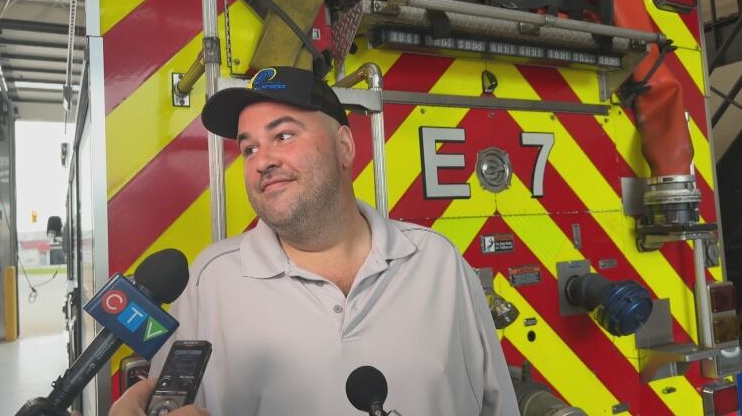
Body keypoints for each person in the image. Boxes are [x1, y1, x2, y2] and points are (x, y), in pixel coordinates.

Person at [132, 66, 518, 415]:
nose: (262, 161)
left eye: (283, 135)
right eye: (249, 148)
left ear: (345, 147)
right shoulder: (209, 280)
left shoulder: (437, 262)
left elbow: (496, 405)